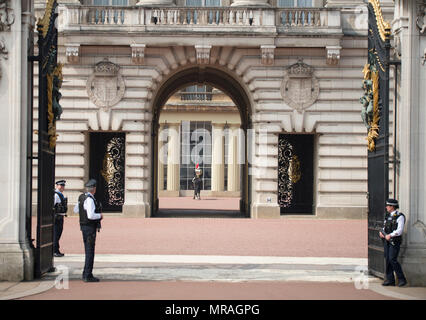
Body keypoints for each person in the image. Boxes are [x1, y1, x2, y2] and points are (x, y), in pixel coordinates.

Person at [74, 179, 103, 282]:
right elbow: (91, 215)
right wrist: (100, 215)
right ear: (94, 189)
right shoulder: (90, 199)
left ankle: (86, 273)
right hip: (90, 227)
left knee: (88, 250)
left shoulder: (82, 197)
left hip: (84, 226)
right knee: (90, 251)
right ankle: (88, 274)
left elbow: (76, 210)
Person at [379, 198, 407, 287]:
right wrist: (382, 232)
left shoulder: (400, 216)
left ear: (392, 206)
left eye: (388, 206)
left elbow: (400, 230)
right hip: (387, 241)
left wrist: (390, 235)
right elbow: (384, 227)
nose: (386, 207)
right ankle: (390, 280)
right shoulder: (387, 216)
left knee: (392, 259)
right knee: (387, 259)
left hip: (394, 241)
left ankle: (402, 279)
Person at [53, 180, 68, 257]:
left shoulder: (60, 194)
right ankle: (54, 250)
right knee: (56, 234)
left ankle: (56, 249)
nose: (62, 187)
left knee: (58, 233)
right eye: (60, 185)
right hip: (57, 217)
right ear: (56, 185)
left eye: (63, 186)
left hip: (60, 216)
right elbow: (53, 206)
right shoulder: (56, 195)